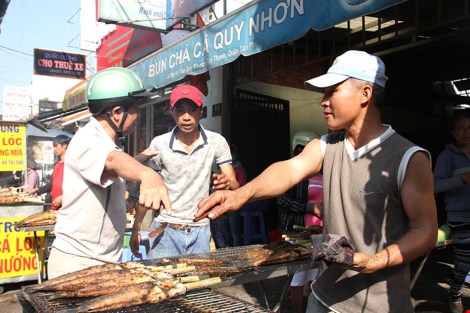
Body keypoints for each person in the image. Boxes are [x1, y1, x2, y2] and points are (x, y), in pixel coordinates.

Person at [197, 50, 437, 313]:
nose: (322, 102)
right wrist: (242, 193)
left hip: (380, 306)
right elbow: (288, 170)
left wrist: (375, 261)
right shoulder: (325, 146)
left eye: (331, 91)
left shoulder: (408, 158)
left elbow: (425, 231)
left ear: (365, 94)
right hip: (323, 298)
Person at [47, 67, 171, 279]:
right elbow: (113, 161)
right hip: (79, 264)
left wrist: (144, 156)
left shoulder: (105, 143)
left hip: (99, 261)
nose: (138, 116)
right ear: (116, 113)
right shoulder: (87, 139)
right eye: (136, 109)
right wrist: (149, 175)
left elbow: (116, 161)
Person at [131, 84, 239, 259]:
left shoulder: (216, 142)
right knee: (161, 284)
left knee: (199, 285)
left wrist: (227, 183)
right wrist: (136, 227)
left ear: (200, 112)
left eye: (192, 110)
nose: (186, 117)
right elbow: (149, 189)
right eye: (180, 111)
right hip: (166, 231)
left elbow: (234, 184)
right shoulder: (160, 144)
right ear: (172, 112)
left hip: (200, 232)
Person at [277, 137, 323, 313]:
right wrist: (308, 207)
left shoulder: (324, 174)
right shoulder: (294, 174)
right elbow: (282, 199)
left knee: (315, 275)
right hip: (298, 233)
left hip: (319, 232)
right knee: (298, 277)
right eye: (302, 149)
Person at [433, 109, 470, 313]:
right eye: (461, 128)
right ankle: (455, 295)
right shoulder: (447, 157)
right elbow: (434, 187)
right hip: (459, 217)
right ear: (453, 132)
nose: (466, 132)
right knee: (464, 261)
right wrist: (462, 179)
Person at [27, 135, 71, 210]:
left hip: (67, 207)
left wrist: (63, 197)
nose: (54, 149)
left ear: (64, 146)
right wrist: (37, 190)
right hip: (55, 205)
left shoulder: (71, 165)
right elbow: (51, 184)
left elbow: (75, 186)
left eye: (56, 146)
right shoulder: (57, 165)